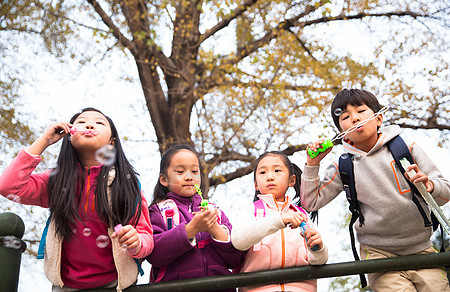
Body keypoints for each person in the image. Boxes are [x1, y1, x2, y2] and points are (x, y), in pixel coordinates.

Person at [301, 88, 450, 291]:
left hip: (422, 248)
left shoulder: (406, 149)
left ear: (379, 119)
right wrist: (312, 165)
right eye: (345, 116)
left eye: (360, 111)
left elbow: (445, 194)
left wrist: (430, 186)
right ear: (340, 131)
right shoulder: (343, 166)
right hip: (379, 253)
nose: (354, 119)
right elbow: (310, 203)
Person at [0, 108, 154, 291]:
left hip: (116, 285)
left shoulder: (127, 184)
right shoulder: (55, 181)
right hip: (65, 286)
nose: (89, 124)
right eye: (81, 122)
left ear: (112, 142)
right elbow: (8, 186)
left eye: (99, 122)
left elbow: (147, 238)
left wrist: (136, 243)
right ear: (69, 136)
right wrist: (44, 141)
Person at [145, 145, 243, 291]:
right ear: (164, 179)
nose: (189, 176)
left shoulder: (215, 212)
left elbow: (236, 260)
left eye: (195, 171)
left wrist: (216, 230)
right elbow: (154, 255)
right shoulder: (159, 212)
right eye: (180, 171)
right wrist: (191, 230)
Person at [231, 151, 328, 292]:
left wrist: (318, 249)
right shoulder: (252, 211)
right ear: (256, 185)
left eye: (277, 170)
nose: (270, 177)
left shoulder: (302, 215)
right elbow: (238, 241)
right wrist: (278, 220)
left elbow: (318, 261)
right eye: (263, 173)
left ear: (291, 181)